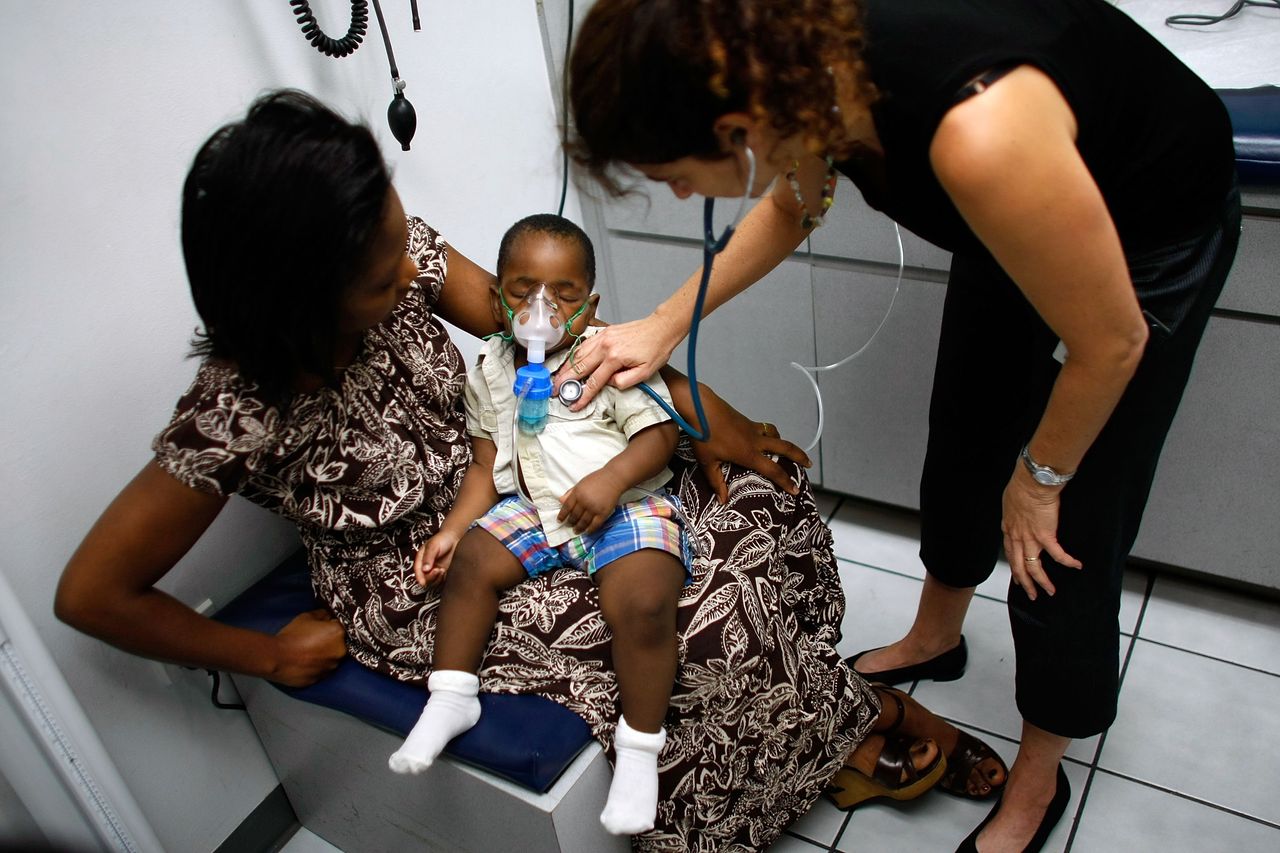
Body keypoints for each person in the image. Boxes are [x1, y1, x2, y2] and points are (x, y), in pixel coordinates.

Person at [53, 88, 1005, 851]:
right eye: (386, 282)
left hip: (523, 479)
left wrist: (702, 416)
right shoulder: (237, 410)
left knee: (765, 508)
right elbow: (92, 594)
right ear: (296, 298)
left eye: (404, 253)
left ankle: (812, 728)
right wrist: (263, 655)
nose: (410, 282)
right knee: (697, 619)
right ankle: (854, 717)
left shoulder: (404, 250)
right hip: (430, 577)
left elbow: (555, 340)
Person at [563, 1, 1240, 850]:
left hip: (1147, 229)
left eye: (676, 174)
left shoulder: (979, 136)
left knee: (1062, 533)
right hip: (1016, 210)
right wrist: (665, 322)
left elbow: (1112, 344)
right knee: (964, 436)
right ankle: (937, 633)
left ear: (735, 127)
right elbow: (795, 198)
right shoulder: (798, 63)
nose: (679, 194)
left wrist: (1041, 477)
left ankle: (1038, 778)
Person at [388, 214, 689, 836]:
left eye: (564, 295)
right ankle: (450, 698)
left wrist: (609, 483)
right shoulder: (491, 368)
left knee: (645, 602)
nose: (542, 309)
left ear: (591, 304)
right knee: (471, 563)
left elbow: (659, 435)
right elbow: (481, 463)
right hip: (534, 507)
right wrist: (451, 529)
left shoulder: (607, 353)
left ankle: (638, 752)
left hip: (624, 503)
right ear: (498, 298)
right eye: (522, 291)